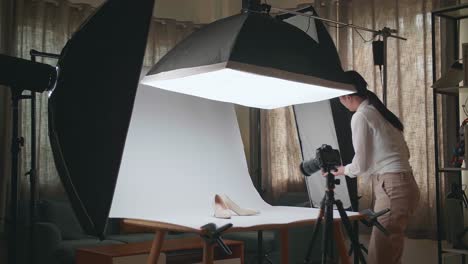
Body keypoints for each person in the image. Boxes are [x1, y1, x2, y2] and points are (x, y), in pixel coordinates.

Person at [331, 71, 420, 264]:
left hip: (391, 188)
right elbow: (404, 152)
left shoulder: (361, 116)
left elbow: (361, 164)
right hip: (405, 185)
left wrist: (342, 170)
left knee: (380, 258)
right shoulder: (379, 111)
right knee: (390, 255)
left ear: (346, 95)